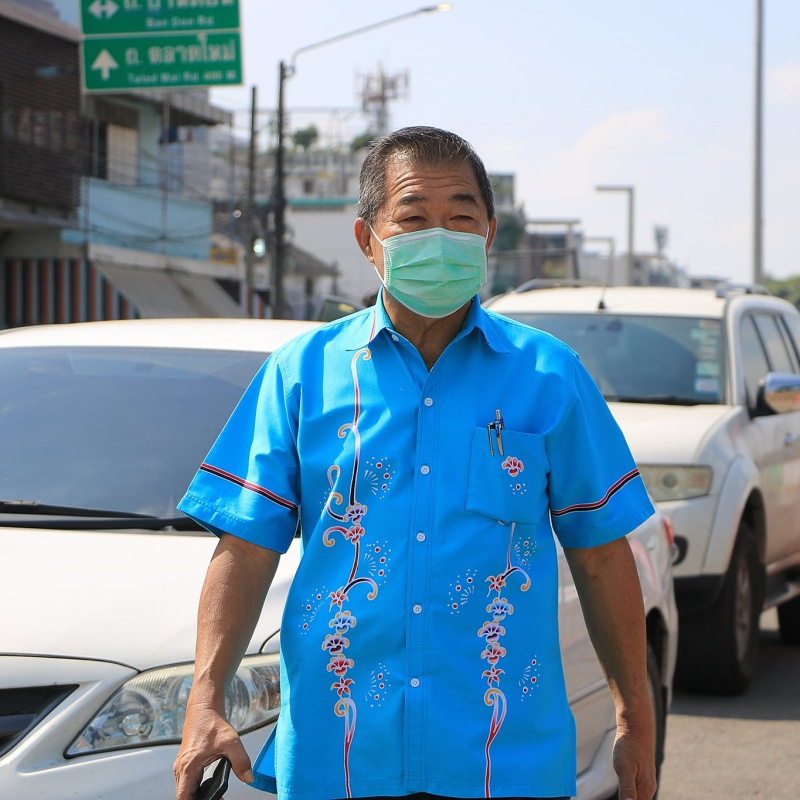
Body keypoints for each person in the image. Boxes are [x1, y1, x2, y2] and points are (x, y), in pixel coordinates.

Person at [174, 126, 657, 800]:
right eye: (413, 217)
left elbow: (602, 556)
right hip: (338, 762)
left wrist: (635, 714)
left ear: (489, 235)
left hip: (503, 764)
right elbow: (245, 549)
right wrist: (205, 700)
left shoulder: (550, 376)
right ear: (368, 238)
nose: (440, 236)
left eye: (461, 217)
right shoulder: (302, 374)